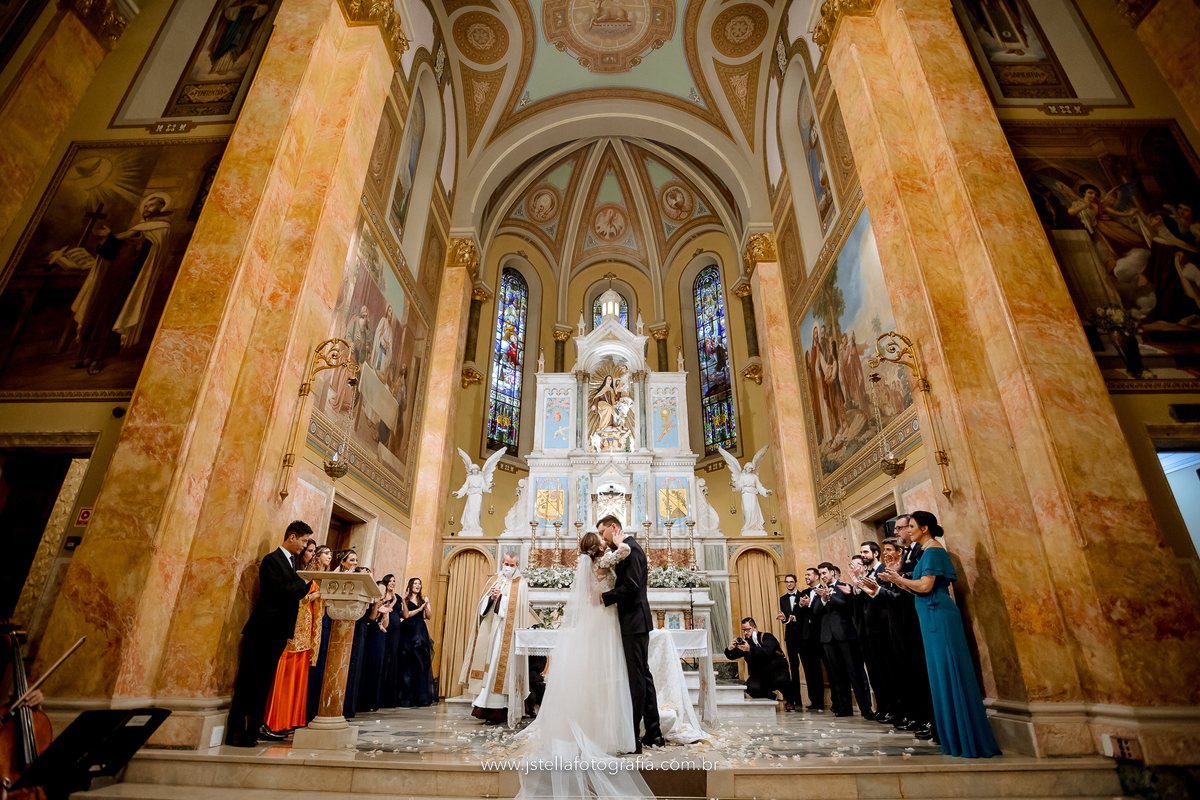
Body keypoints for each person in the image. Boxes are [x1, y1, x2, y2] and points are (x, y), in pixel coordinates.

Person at [511, 532, 653, 799]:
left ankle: (598, 723)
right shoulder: (603, 562)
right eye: (600, 538)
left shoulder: (591, 564)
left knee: (598, 671)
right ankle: (606, 728)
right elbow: (624, 551)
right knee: (609, 668)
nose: (603, 540)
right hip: (605, 618)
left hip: (597, 618)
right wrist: (622, 538)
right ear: (596, 547)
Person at [882, 510, 999, 758]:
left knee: (949, 673)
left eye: (911, 526)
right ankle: (953, 735)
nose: (907, 531)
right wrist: (898, 579)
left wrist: (902, 579)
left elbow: (925, 586)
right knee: (939, 675)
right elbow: (919, 589)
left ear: (924, 528)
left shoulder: (934, 550)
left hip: (939, 615)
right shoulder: (926, 551)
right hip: (929, 613)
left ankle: (965, 736)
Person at [225, 520, 314, 747]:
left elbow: (296, 591)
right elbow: (278, 590)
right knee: (248, 680)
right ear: (292, 537)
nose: (305, 546)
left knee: (264, 681)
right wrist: (301, 582)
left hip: (279, 630)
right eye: (303, 541)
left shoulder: (293, 563)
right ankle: (236, 731)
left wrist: (304, 582)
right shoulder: (271, 560)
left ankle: (253, 730)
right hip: (263, 628)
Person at [598, 515, 665, 749]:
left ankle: (633, 736)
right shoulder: (625, 550)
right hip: (634, 621)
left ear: (613, 528)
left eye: (602, 533)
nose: (602, 539)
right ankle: (654, 732)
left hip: (634, 622)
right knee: (642, 677)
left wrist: (604, 597)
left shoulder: (632, 549)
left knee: (636, 680)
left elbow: (632, 585)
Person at [459, 553, 537, 726]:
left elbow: (519, 608)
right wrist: (492, 597)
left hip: (507, 635)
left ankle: (500, 709)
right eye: (507, 563)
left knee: (499, 668)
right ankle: (484, 706)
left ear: (517, 565)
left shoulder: (521, 584)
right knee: (489, 666)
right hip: (490, 632)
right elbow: (482, 606)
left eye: (512, 565)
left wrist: (502, 598)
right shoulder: (494, 579)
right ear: (502, 562)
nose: (509, 567)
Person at [263, 539, 324, 734]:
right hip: (290, 630)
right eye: (310, 551)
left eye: (315, 551)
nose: (313, 556)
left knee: (298, 678)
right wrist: (310, 597)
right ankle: (274, 721)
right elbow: (288, 595)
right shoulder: (294, 572)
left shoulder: (309, 575)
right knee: (284, 677)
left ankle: (289, 721)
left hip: (305, 632)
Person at [883, 517, 936, 740]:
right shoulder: (911, 553)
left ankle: (928, 718)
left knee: (920, 671)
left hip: (917, 616)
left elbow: (922, 582)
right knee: (909, 672)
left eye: (903, 528)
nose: (899, 532)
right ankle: (917, 715)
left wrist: (899, 577)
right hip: (902, 620)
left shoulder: (926, 552)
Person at [810, 562, 874, 719]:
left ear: (832, 572)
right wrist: (823, 599)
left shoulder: (844, 587)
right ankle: (845, 708)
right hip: (827, 638)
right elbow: (815, 612)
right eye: (821, 574)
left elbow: (849, 607)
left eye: (825, 573)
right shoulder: (819, 592)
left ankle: (866, 709)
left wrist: (830, 597)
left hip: (845, 636)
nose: (823, 576)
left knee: (854, 673)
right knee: (837, 675)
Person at [854, 540, 900, 724]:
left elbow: (887, 600)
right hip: (867, 631)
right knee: (875, 674)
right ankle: (882, 707)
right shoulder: (868, 574)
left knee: (888, 672)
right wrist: (858, 586)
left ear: (876, 553)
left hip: (882, 629)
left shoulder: (882, 573)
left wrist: (872, 588)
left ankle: (894, 709)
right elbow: (860, 605)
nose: (863, 555)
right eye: (861, 552)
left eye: (866, 552)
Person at [724, 617, 794, 705]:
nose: (745, 633)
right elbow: (731, 656)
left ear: (755, 628)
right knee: (750, 687)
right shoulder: (746, 643)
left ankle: (790, 700)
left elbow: (767, 651)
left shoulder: (767, 637)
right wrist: (729, 649)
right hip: (759, 676)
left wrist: (750, 649)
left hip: (775, 671)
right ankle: (772, 698)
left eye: (748, 630)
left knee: (782, 679)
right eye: (744, 630)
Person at [303, 545, 333, 721]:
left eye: (330, 554)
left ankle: (316, 708)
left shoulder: (329, 577)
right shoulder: (310, 575)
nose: (330, 556)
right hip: (311, 622)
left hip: (325, 620)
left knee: (322, 663)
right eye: (326, 553)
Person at [357, 577, 393, 713]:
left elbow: (385, 625)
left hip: (379, 636)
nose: (381, 594)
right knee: (368, 665)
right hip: (369, 634)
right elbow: (371, 618)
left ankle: (373, 701)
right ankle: (363, 701)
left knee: (377, 666)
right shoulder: (370, 602)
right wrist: (377, 608)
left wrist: (384, 614)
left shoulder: (385, 603)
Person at [396, 577, 434, 707]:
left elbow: (428, 616)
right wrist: (418, 608)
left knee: (419, 662)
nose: (418, 585)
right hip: (408, 630)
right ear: (411, 585)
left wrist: (426, 606)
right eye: (415, 583)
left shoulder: (423, 599)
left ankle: (419, 697)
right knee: (407, 661)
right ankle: (405, 697)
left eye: (420, 584)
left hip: (420, 631)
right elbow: (405, 615)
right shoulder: (405, 599)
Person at [796, 567, 828, 710]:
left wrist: (810, 605)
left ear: (816, 576)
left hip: (821, 636)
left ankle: (833, 701)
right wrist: (802, 606)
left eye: (808, 574)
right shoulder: (804, 593)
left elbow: (824, 612)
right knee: (810, 670)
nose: (806, 577)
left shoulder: (825, 590)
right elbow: (798, 615)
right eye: (805, 575)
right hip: (806, 638)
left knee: (828, 669)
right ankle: (815, 701)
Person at [776, 574, 803, 711]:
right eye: (787, 582)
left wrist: (795, 618)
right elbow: (785, 618)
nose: (789, 584)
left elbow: (805, 615)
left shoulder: (802, 596)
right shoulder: (783, 599)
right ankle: (796, 699)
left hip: (803, 636)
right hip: (790, 637)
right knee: (793, 668)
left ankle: (815, 700)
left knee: (807, 666)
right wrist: (783, 618)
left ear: (796, 583)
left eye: (791, 582)